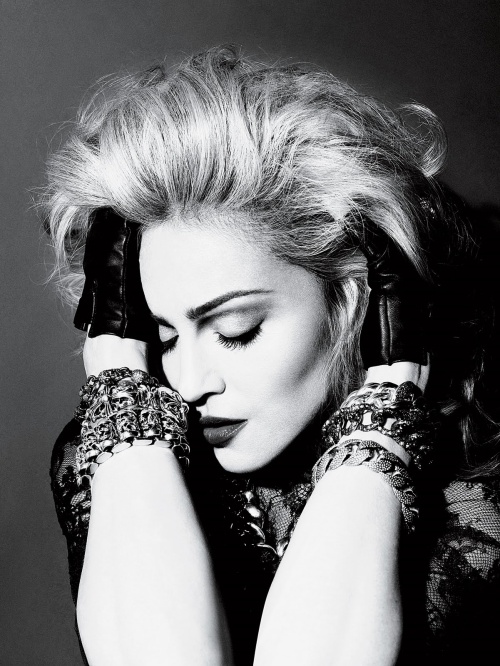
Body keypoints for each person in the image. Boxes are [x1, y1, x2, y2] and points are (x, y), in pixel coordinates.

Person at [46, 46, 500, 665]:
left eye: (236, 331)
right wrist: (118, 378)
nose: (187, 383)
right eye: (163, 338)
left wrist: (384, 418)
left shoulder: (478, 501)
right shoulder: (119, 455)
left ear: (356, 300)